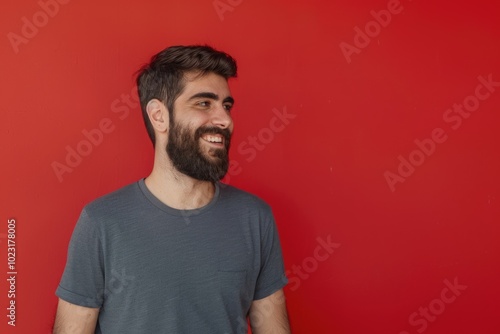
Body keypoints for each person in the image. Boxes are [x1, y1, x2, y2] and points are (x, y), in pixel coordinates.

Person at [53, 45, 290, 333]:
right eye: (204, 103)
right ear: (159, 116)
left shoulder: (255, 218)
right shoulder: (101, 222)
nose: (225, 120)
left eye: (226, 106)